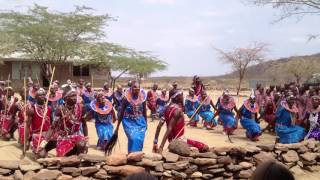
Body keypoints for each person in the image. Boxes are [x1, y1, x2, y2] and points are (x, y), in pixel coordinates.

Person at [44, 85, 88, 156]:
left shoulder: (81, 108)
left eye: (75, 95)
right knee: (60, 155)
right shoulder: (60, 109)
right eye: (72, 96)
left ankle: (79, 157)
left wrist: (86, 139)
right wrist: (44, 142)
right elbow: (53, 127)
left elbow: (84, 124)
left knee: (82, 144)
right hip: (62, 136)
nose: (75, 98)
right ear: (66, 98)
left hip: (76, 136)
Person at [115, 81, 147, 153]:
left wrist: (146, 124)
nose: (137, 88)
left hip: (141, 122)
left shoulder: (143, 98)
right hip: (128, 122)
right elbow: (121, 113)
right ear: (131, 88)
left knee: (139, 139)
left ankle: (137, 156)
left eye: (138, 87)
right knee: (133, 138)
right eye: (135, 87)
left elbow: (144, 112)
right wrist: (117, 127)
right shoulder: (126, 98)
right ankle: (131, 155)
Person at [25, 88, 54, 158]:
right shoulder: (32, 109)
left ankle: (45, 149)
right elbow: (28, 126)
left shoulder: (49, 108)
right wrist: (26, 140)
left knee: (60, 143)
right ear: (36, 97)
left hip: (48, 136)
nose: (42, 97)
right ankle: (39, 149)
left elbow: (52, 125)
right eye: (40, 95)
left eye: (44, 95)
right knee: (42, 155)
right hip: (38, 136)